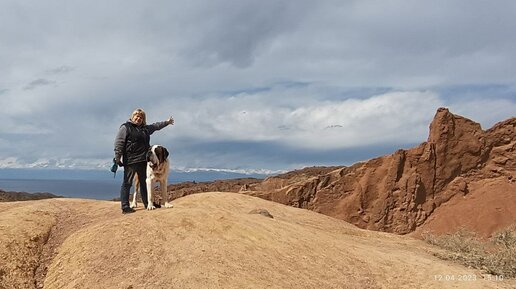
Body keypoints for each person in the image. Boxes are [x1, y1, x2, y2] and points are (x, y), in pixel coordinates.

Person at [114, 108, 174, 214]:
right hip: (131, 160)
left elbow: (156, 126)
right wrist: (117, 157)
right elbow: (119, 142)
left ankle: (148, 203)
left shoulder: (145, 129)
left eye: (141, 117)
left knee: (143, 183)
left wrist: (167, 122)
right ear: (132, 117)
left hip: (143, 160)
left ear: (143, 119)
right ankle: (125, 206)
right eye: (137, 116)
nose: (138, 118)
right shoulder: (125, 127)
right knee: (127, 183)